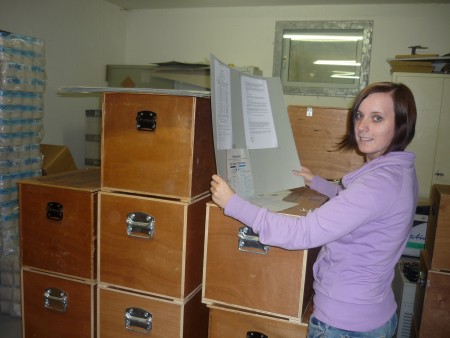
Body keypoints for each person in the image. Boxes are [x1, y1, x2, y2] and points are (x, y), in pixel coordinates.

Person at [210, 82, 418, 338]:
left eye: (377, 118)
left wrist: (234, 204)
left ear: (401, 124)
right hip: (371, 312)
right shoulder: (397, 171)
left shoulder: (380, 183)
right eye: (360, 115)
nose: (362, 127)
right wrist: (317, 182)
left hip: (346, 325)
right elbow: (363, 208)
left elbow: (304, 232)